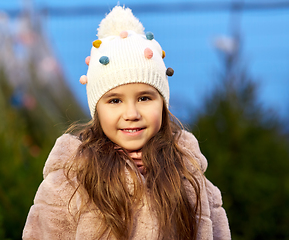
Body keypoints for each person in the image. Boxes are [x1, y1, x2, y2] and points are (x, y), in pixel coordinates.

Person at [23, 6, 231, 240]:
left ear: (162, 103)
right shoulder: (70, 180)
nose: (131, 113)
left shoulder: (187, 174)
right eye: (115, 101)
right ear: (97, 110)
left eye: (144, 98)